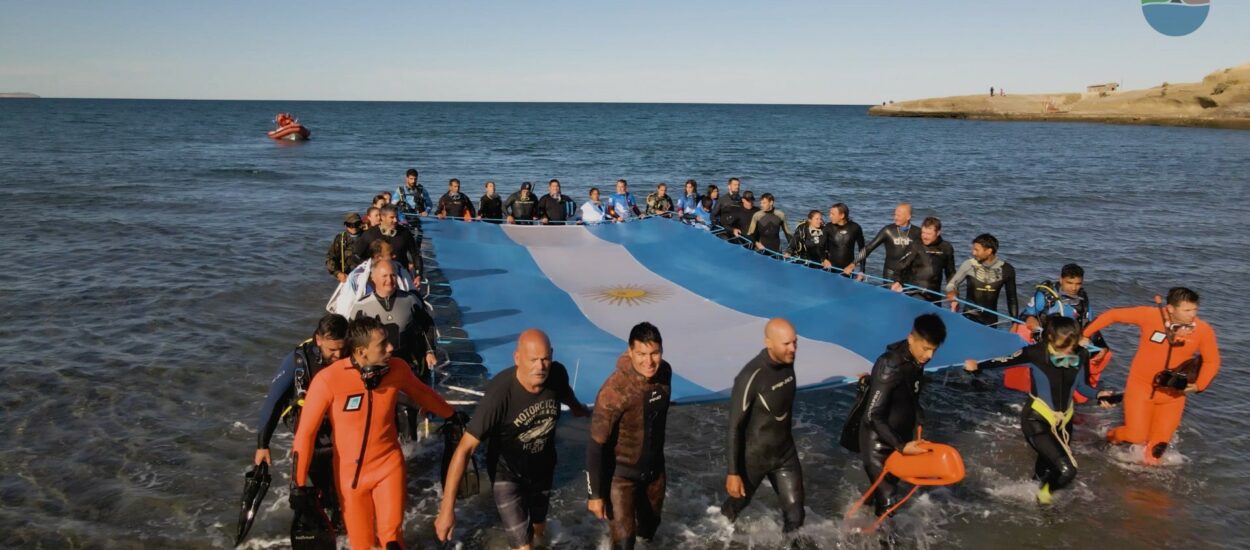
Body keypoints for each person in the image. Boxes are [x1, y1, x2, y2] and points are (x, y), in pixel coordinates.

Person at [292, 316, 455, 550]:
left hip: (389, 465)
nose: (391, 348)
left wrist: (452, 415)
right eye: (382, 345)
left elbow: (423, 394)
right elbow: (305, 434)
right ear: (361, 351)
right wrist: (298, 486)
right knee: (362, 545)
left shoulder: (397, 369)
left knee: (392, 537)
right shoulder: (328, 380)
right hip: (351, 477)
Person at [435, 330, 590, 550]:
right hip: (506, 473)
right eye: (533, 360)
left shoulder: (556, 375)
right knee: (523, 547)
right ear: (517, 358)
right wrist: (446, 510)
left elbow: (568, 398)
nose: (540, 366)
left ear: (552, 356)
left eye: (545, 359)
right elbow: (464, 450)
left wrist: (582, 411)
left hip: (542, 467)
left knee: (539, 530)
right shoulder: (500, 394)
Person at [964, 317, 1114, 504]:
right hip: (1037, 419)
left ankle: (1031, 508)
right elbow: (1004, 361)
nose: (1069, 349)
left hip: (1064, 423)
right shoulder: (1034, 353)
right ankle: (1044, 499)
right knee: (1067, 471)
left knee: (1046, 470)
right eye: (1064, 345)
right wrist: (977, 366)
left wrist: (1099, 394)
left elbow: (1082, 387)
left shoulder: (1081, 354)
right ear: (1050, 337)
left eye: (1072, 344)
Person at [1081, 287, 1220, 465]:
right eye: (1187, 310)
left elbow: (1212, 361)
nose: (1192, 315)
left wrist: (1200, 384)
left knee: (1157, 449)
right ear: (1170, 308)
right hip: (1141, 387)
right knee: (1136, 435)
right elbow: (1113, 315)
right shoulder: (1150, 315)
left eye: (1194, 310)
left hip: (1173, 395)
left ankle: (1145, 487)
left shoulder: (1203, 330)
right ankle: (1108, 439)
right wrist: (1084, 334)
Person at [254, 314, 349, 523]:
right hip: (311, 431)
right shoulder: (297, 361)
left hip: (343, 425)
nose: (338, 355)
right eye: (332, 350)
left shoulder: (351, 353)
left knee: (347, 485)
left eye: (342, 348)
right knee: (325, 486)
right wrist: (263, 445)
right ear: (318, 340)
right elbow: (274, 401)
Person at [586, 322, 671, 550]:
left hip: (654, 473)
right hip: (621, 477)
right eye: (641, 354)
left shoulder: (665, 373)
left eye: (655, 353)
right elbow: (596, 444)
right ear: (630, 351)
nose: (649, 361)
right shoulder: (615, 390)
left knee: (649, 534)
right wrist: (595, 494)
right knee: (625, 543)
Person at [721, 319, 805, 537]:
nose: (793, 349)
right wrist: (733, 473)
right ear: (769, 342)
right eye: (786, 344)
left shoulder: (788, 360)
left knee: (796, 517)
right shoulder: (751, 376)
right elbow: (734, 427)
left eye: (795, 342)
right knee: (731, 512)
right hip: (754, 459)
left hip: (785, 455)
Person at [859, 313, 945, 517]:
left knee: (881, 493)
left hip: (901, 439)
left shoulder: (917, 361)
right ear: (910, 339)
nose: (930, 356)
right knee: (889, 500)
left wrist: (918, 423)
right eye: (926, 348)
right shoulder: (890, 365)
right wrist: (900, 445)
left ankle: (856, 527)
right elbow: (873, 414)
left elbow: (910, 398)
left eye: (934, 350)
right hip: (878, 443)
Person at [347, 261, 438, 378]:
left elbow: (427, 325)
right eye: (384, 276)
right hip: (376, 366)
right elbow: (352, 340)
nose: (389, 280)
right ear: (373, 278)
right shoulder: (361, 307)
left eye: (393, 275)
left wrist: (430, 352)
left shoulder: (411, 300)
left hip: (407, 363)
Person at [945, 233, 1018, 325]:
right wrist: (952, 291)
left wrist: (1015, 323)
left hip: (991, 321)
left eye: (976, 250)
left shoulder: (1007, 270)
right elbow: (952, 284)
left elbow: (1012, 299)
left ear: (989, 251)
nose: (973, 253)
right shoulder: (969, 265)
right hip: (968, 317)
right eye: (973, 249)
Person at [327, 239, 415, 316]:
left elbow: (413, 296)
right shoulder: (357, 277)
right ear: (378, 257)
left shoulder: (401, 271)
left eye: (392, 276)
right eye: (391, 254)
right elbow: (344, 310)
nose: (394, 256)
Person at [843, 203, 921, 282]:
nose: (895, 218)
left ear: (908, 217)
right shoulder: (888, 230)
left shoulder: (918, 232)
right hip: (890, 274)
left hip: (910, 274)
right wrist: (853, 263)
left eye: (898, 215)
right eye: (895, 215)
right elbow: (869, 248)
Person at [894, 216, 955, 299]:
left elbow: (950, 273)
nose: (925, 236)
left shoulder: (946, 248)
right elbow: (900, 266)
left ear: (938, 233)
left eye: (929, 234)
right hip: (913, 292)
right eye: (923, 233)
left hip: (934, 294)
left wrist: (952, 292)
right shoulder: (916, 245)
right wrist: (897, 281)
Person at [353, 205, 420, 279]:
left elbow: (415, 254)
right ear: (382, 217)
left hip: (401, 276)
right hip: (377, 277)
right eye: (392, 217)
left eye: (396, 217)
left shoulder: (405, 233)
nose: (396, 220)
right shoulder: (370, 234)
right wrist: (370, 268)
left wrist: (418, 274)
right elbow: (356, 256)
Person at [821, 203, 865, 275]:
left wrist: (861, 271)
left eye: (832, 214)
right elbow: (820, 247)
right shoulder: (828, 227)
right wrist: (824, 259)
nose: (830, 216)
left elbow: (862, 250)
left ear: (842, 215)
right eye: (830, 214)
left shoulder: (855, 228)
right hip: (830, 268)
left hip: (848, 270)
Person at [326, 212, 364, 283]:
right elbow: (330, 258)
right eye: (350, 225)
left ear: (360, 224)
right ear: (346, 225)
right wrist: (338, 273)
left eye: (356, 224)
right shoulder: (340, 239)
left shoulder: (367, 236)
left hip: (365, 276)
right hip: (346, 278)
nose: (354, 227)